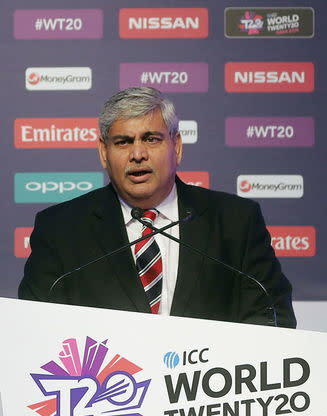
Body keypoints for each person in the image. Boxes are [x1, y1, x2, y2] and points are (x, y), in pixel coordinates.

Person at [18, 87, 296, 328]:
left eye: (151, 139)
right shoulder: (60, 229)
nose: (138, 154)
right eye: (123, 142)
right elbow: (35, 330)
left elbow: (271, 319)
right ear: (104, 152)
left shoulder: (236, 222)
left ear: (176, 146)